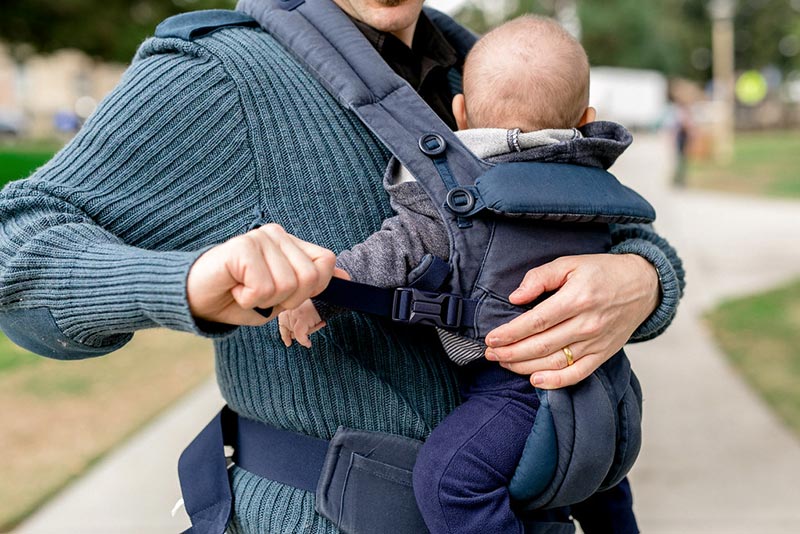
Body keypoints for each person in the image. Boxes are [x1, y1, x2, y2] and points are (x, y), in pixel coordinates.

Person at [0, 1, 684, 533]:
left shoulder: (485, 65)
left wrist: (642, 281)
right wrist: (185, 282)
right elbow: (16, 249)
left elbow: (614, 225)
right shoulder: (217, 73)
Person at [278, 14, 650, 533]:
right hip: (610, 384)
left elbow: (396, 252)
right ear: (586, 118)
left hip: (517, 389)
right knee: (600, 483)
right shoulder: (592, 177)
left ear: (457, 113)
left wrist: (320, 292)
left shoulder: (456, 195)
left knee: (448, 480)